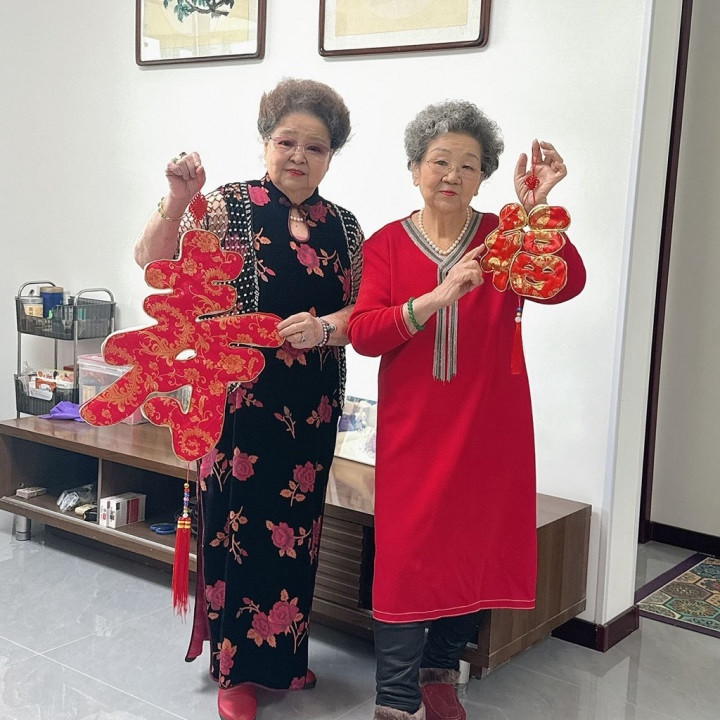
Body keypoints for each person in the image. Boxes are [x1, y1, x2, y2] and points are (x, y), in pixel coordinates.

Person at [347, 101, 586, 720]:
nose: (452, 175)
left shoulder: (504, 237)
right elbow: (365, 333)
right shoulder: (386, 244)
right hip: (414, 428)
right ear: (414, 168)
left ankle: (439, 674)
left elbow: (566, 283)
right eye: (439, 161)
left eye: (469, 165)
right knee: (405, 558)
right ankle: (396, 699)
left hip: (489, 424)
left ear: (484, 178)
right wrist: (437, 296)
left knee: (472, 547)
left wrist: (536, 212)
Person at [134, 78, 364, 720]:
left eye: (315, 147)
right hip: (236, 400)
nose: (298, 156)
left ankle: (284, 660)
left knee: (298, 534)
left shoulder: (344, 227)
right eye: (287, 141)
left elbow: (363, 312)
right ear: (266, 142)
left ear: (331, 156)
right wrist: (177, 201)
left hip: (313, 406)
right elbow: (153, 263)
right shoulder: (226, 207)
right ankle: (235, 671)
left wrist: (326, 327)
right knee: (236, 529)